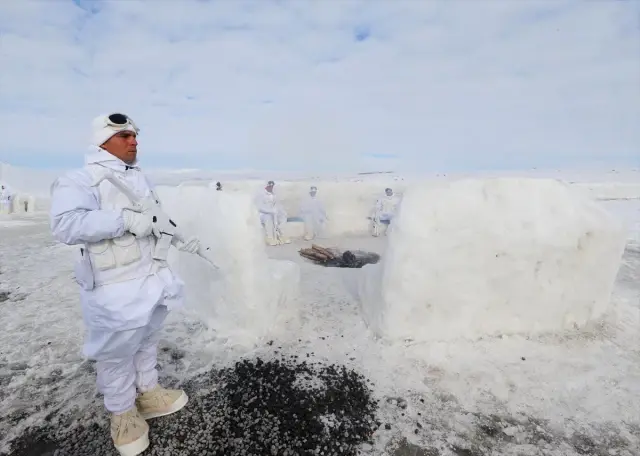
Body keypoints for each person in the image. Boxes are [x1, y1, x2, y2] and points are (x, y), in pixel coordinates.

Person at [49, 113, 202, 456]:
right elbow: (66, 225)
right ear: (102, 141)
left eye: (135, 135)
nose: (134, 141)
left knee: (147, 339)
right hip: (113, 286)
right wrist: (123, 220)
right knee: (116, 353)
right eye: (124, 136)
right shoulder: (80, 179)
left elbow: (155, 220)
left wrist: (179, 238)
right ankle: (122, 414)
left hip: (151, 278)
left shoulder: (139, 179)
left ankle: (148, 393)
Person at [254, 180, 290, 245]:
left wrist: (281, 211)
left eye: (272, 186)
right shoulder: (261, 195)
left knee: (283, 216)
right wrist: (270, 211)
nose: (271, 187)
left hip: (273, 213)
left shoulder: (274, 194)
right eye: (269, 186)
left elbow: (277, 205)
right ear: (266, 186)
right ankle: (269, 238)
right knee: (268, 218)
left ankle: (282, 235)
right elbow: (259, 207)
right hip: (263, 214)